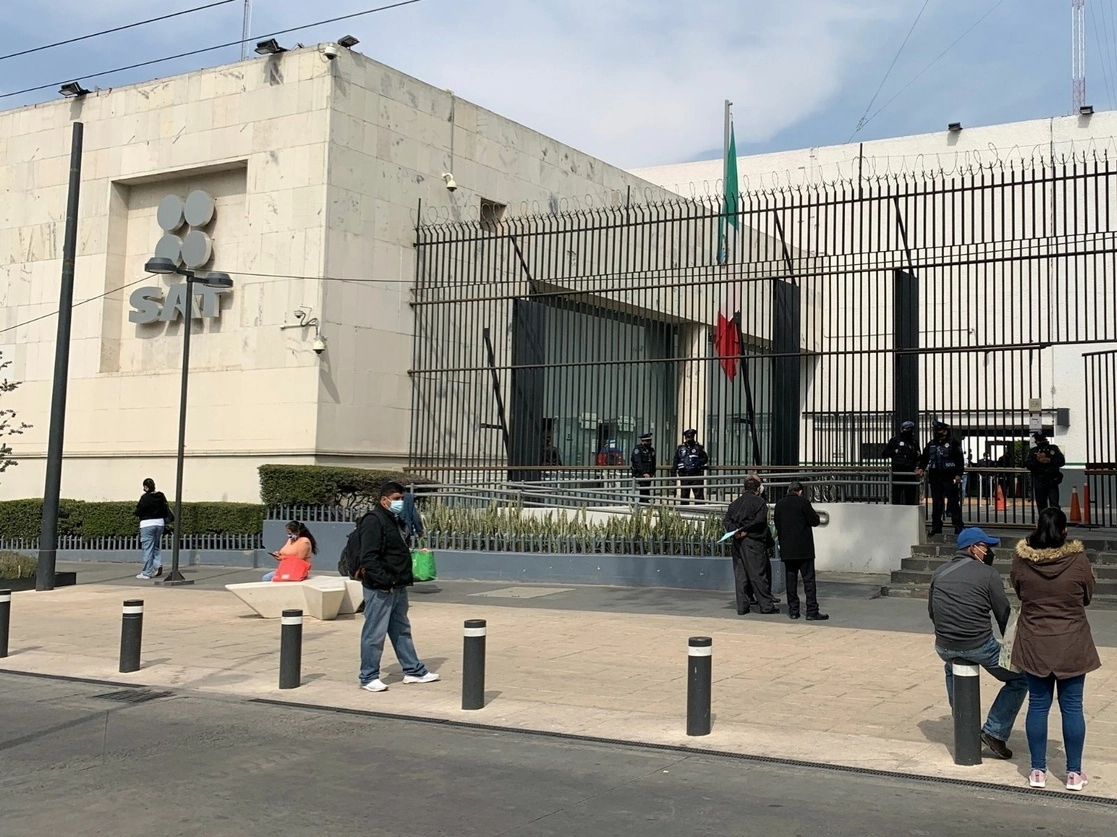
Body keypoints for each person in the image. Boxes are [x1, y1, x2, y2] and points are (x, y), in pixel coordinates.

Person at [1011, 508, 1100, 791]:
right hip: (1072, 641)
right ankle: (1074, 774)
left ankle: (1037, 770)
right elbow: (1087, 595)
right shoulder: (1078, 561)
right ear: (1064, 531)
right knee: (1072, 707)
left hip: (1034, 640)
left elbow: (1019, 592)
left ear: (1038, 528)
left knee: (1038, 705)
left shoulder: (1022, 561)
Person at [928, 527, 1027, 760]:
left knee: (952, 667)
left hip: (943, 645)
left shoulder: (939, 573)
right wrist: (1013, 651)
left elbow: (932, 612)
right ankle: (994, 731)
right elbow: (1003, 615)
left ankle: (965, 725)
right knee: (1020, 680)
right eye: (986, 547)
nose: (989, 552)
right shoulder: (988, 575)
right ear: (973, 548)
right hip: (980, 645)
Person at [357, 480, 440, 692]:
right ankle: (368, 676)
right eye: (396, 499)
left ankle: (413, 670)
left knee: (401, 629)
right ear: (384, 500)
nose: (400, 502)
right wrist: (385, 581)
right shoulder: (374, 521)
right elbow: (369, 557)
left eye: (402, 499)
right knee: (374, 633)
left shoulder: (395, 519)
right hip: (381, 587)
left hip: (398, 584)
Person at [773, 481, 828, 621]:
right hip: (804, 549)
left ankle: (793, 611)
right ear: (800, 491)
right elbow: (815, 520)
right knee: (808, 581)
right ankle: (811, 611)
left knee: (790, 581)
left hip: (788, 549)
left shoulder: (780, 504)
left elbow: (777, 524)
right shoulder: (803, 503)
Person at [724, 475, 778, 615]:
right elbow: (759, 521)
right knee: (758, 575)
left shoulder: (735, 503)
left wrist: (735, 531)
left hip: (737, 542)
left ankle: (742, 606)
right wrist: (744, 530)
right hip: (753, 541)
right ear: (757, 489)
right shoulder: (759, 502)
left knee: (740, 576)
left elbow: (727, 521)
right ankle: (766, 605)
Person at [916, 420, 965, 536]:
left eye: (940, 430)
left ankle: (958, 525)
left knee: (953, 502)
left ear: (945, 430)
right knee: (937, 503)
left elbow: (959, 460)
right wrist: (921, 468)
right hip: (935, 477)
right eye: (936, 430)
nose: (937, 432)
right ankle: (936, 526)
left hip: (950, 477)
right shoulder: (932, 443)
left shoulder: (953, 443)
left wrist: (958, 474)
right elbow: (925, 458)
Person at [133, 478, 171, 580]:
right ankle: (157, 566)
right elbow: (165, 508)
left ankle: (146, 573)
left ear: (146, 487)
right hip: (160, 524)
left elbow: (138, 511)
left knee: (148, 548)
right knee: (156, 546)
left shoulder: (145, 498)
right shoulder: (161, 495)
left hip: (147, 524)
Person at [882, 420, 921, 505]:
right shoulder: (895, 440)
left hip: (910, 472)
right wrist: (895, 451)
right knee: (896, 495)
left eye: (909, 430)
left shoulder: (914, 442)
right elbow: (884, 454)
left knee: (910, 496)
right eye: (905, 429)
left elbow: (918, 457)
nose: (907, 431)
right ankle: (896, 514)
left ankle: (909, 514)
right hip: (898, 472)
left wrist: (918, 465)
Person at [1025, 433, 1066, 513]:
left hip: (1052, 480)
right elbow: (1028, 465)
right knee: (1041, 504)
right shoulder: (1034, 451)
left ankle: (1055, 521)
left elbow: (1061, 461)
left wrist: (1050, 460)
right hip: (1039, 480)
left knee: (1054, 504)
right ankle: (1044, 521)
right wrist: (1037, 460)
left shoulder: (1053, 449)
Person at [671, 428, 709, 504]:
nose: (689, 439)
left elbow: (705, 458)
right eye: (687, 438)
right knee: (684, 495)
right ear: (685, 438)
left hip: (696, 474)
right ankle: (684, 512)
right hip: (684, 474)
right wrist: (673, 472)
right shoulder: (681, 448)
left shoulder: (698, 447)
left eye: (690, 438)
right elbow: (676, 460)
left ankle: (701, 511)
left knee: (699, 495)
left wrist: (698, 462)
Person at [631, 432, 656, 504]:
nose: (649, 442)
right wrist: (644, 473)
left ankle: (645, 501)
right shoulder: (638, 450)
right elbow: (637, 462)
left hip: (649, 473)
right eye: (647, 441)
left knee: (647, 488)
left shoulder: (651, 450)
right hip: (641, 473)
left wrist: (652, 472)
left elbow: (653, 462)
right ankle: (643, 502)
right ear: (642, 441)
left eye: (650, 441)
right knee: (643, 488)